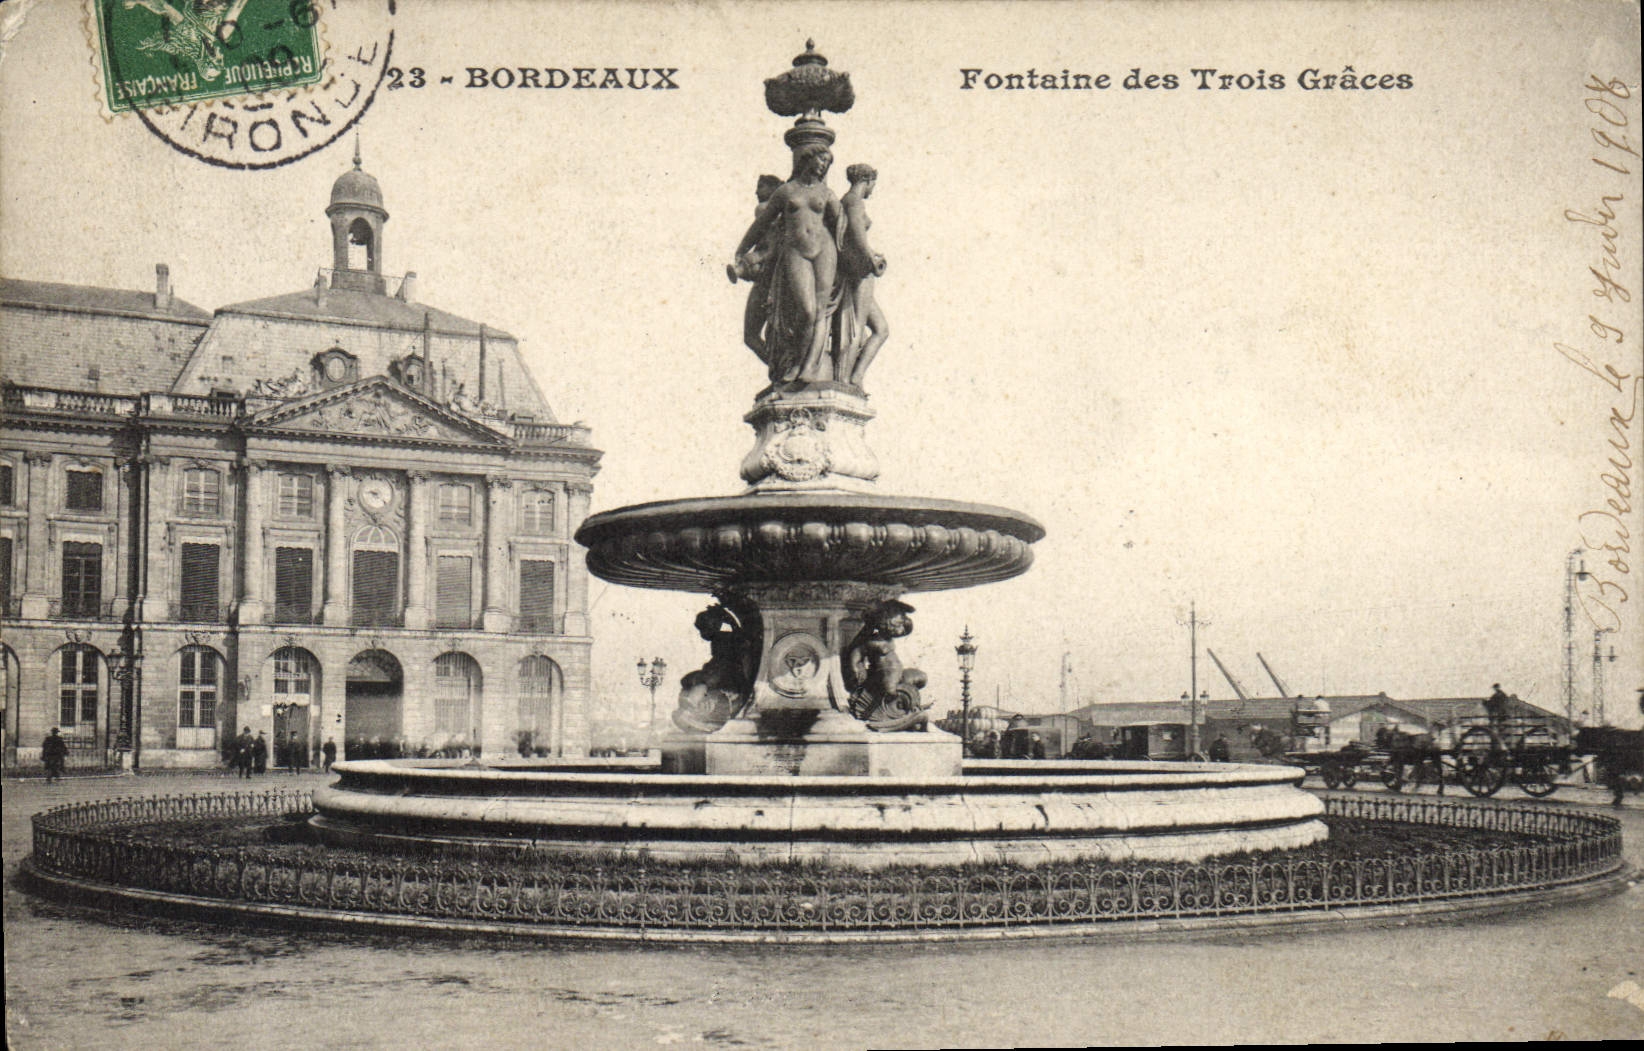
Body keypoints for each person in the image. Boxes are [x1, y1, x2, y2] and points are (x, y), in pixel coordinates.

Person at [733, 142, 843, 385]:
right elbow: (761, 224)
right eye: (821, 159)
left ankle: (808, 367)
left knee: (820, 312)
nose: (823, 165)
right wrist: (741, 249)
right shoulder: (785, 192)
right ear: (808, 158)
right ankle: (796, 362)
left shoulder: (826, 194)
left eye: (827, 163)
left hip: (824, 251)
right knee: (805, 309)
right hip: (796, 250)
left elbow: (842, 226)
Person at [833, 163, 889, 387]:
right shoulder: (854, 202)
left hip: (854, 268)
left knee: (881, 329)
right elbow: (856, 233)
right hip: (860, 271)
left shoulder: (846, 201)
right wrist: (872, 258)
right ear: (866, 181)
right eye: (872, 183)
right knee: (857, 327)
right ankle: (846, 378)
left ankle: (855, 376)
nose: (872, 189)